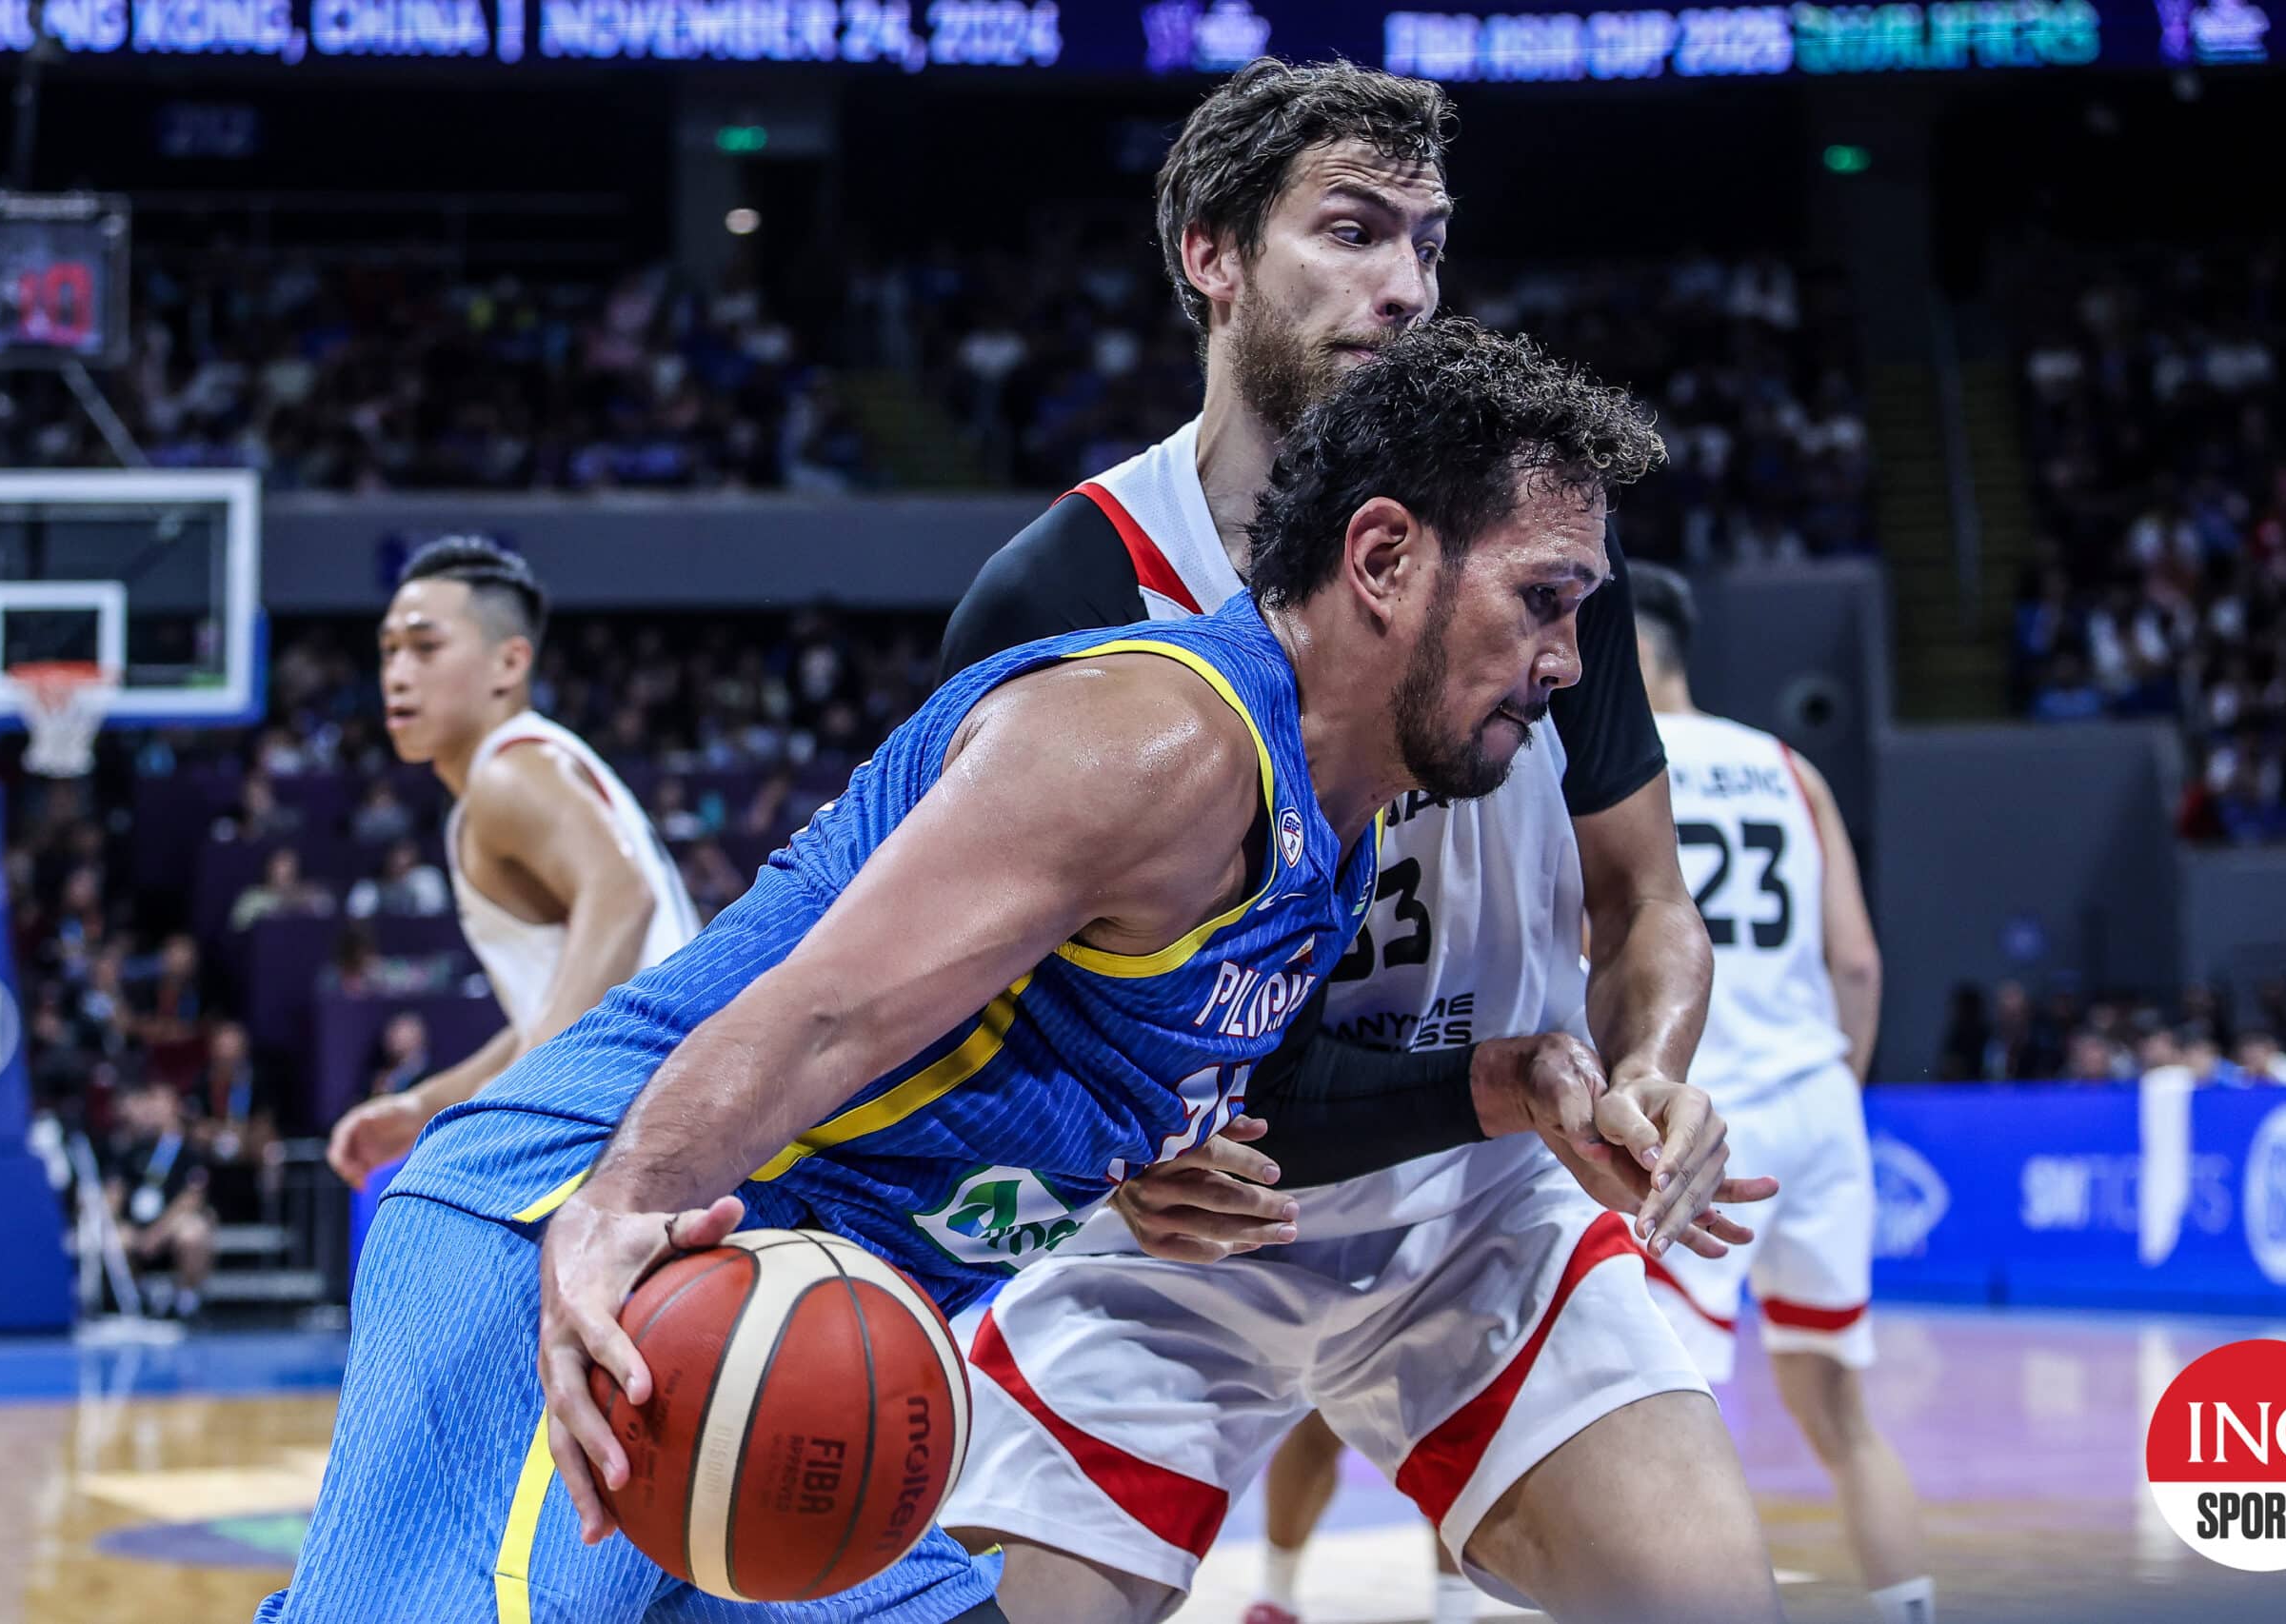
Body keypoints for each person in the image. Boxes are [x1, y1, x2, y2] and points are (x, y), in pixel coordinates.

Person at [256, 320, 1714, 1624]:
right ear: (1385, 560)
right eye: (1543, 600)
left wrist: (1168, 1147)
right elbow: (819, 1011)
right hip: (607, 1243)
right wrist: (614, 1217)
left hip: (808, 1324)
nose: (1572, 660)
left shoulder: (1320, 848)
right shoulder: (1165, 741)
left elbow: (1081, 1049)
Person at [937, 59, 1778, 1624]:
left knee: (1709, 1603)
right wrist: (1097, 1156)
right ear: (1213, 252)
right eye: (1352, 231)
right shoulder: (1064, 593)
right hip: (1165, 1252)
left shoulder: (1530, 542)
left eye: (1428, 243)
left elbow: (1644, 894)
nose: (1402, 287)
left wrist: (1652, 1058)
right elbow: (960, 1009)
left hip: (1481, 1213)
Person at [1627, 563, 1935, 1624]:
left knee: (1657, 1411)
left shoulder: (1617, 765)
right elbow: (1856, 962)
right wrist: (1836, 1090)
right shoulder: (1791, 769)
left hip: (1705, 1115)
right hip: (1818, 1099)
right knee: (1840, 1411)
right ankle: (1910, 1611)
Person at [322, 537, 700, 1189]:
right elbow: (563, 1006)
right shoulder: (538, 764)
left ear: (509, 662)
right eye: (388, 651)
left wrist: (522, 1105)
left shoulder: (509, 775)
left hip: (647, 1128)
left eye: (425, 646)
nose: (398, 673)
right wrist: (428, 1104)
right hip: (672, 1110)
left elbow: (621, 894)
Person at [102, 1077, 215, 1319]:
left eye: (161, 1102)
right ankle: (135, 1298)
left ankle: (186, 1301)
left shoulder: (190, 1149)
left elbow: (192, 1198)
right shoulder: (133, 1148)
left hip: (171, 1225)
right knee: (113, 1238)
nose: (154, 1109)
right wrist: (113, 1219)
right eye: (151, 1101)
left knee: (193, 1232)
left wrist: (157, 1233)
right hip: (137, 1225)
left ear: (175, 1107)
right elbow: (115, 1191)